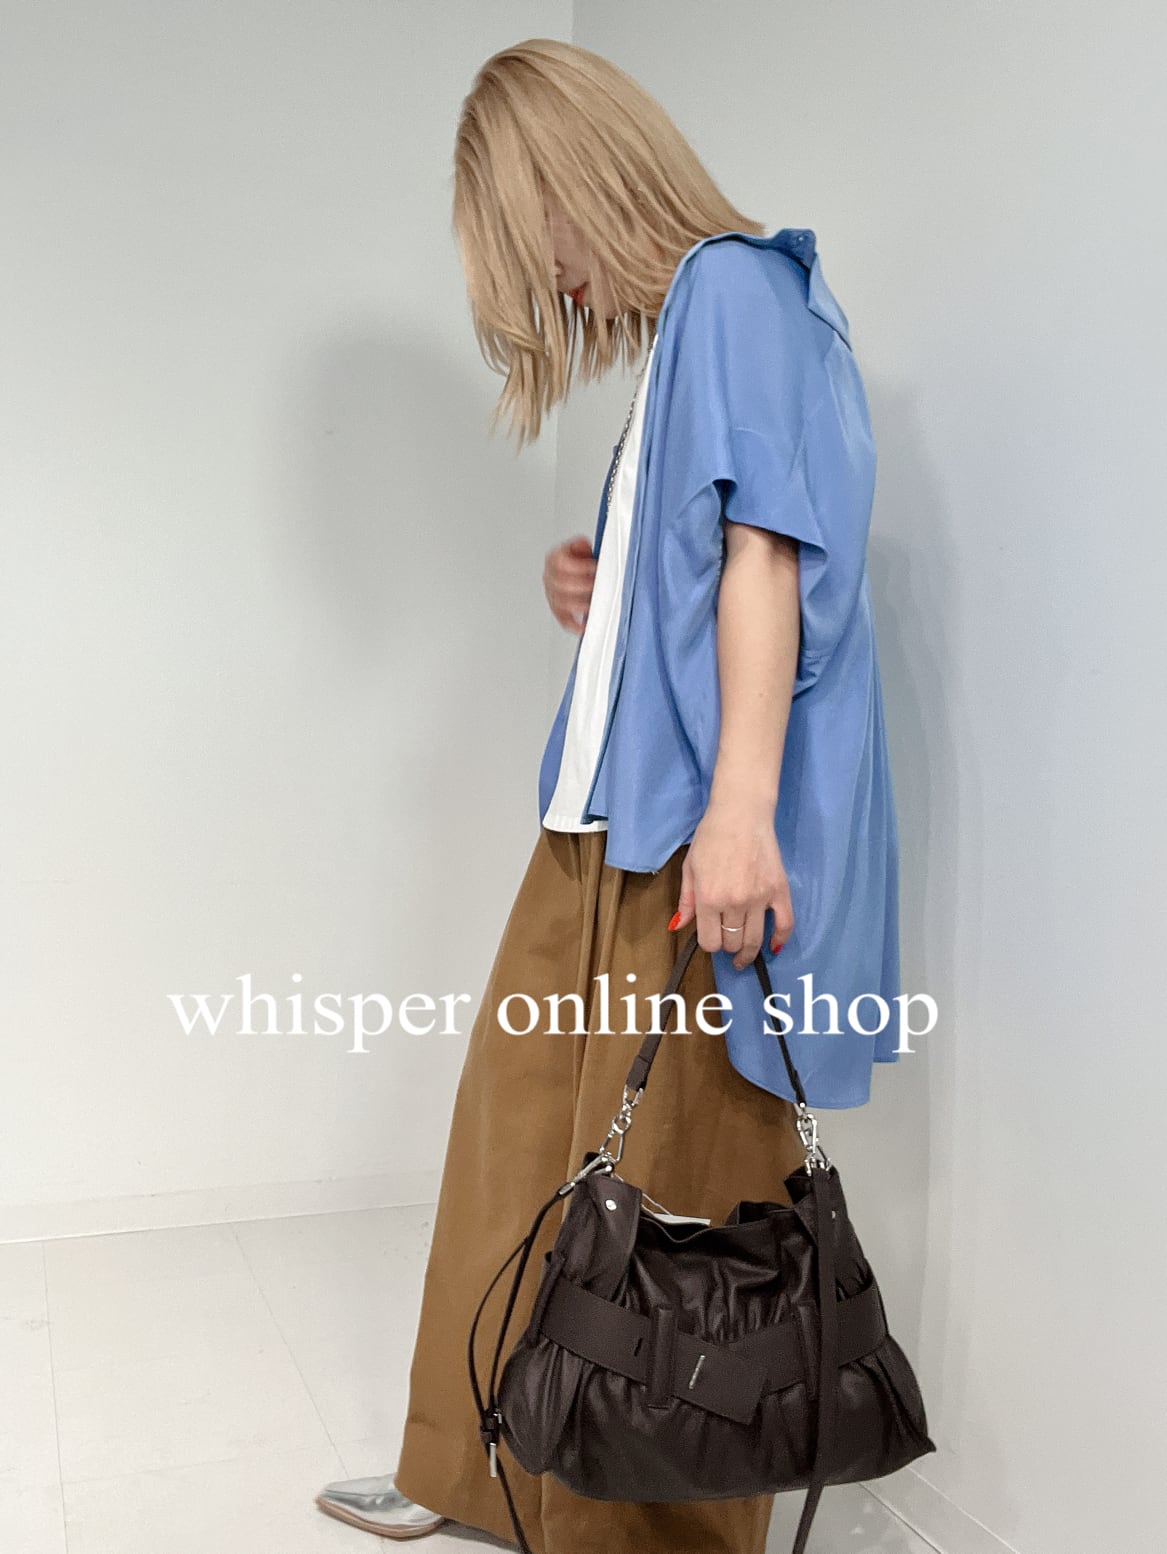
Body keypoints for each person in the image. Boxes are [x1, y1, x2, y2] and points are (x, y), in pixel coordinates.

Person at [314, 34, 902, 1554]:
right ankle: (480, 1472)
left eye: (541, 246)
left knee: (675, 1184)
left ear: (581, 178)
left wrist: (743, 814)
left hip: (695, 834)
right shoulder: (691, 327)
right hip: (602, 824)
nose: (558, 286)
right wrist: (614, 586)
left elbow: (769, 557)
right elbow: (711, 567)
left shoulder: (739, 291)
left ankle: (647, 1534)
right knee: (519, 1147)